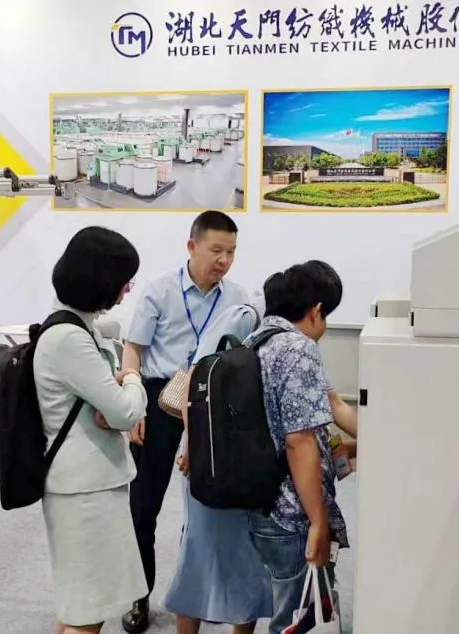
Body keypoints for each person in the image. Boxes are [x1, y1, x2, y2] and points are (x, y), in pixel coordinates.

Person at [121, 210, 250, 634]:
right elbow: (133, 350)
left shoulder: (238, 298)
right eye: (216, 250)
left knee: (206, 507)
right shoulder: (159, 291)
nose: (224, 261)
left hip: (212, 404)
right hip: (160, 399)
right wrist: (134, 408)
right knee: (144, 505)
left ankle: (197, 596)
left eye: (231, 252)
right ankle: (138, 596)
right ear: (192, 246)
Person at [33, 226, 148, 634]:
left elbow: (109, 407)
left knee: (78, 609)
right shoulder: (69, 338)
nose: (127, 289)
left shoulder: (77, 328)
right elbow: (123, 412)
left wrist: (115, 399)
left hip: (87, 483)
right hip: (84, 490)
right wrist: (132, 377)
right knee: (87, 614)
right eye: (124, 280)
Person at [246, 260, 349, 634]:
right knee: (297, 617)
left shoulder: (257, 342)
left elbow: (332, 404)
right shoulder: (298, 349)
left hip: (261, 501)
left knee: (286, 603)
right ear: (316, 310)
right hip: (291, 510)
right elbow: (299, 441)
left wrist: (384, 435)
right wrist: (318, 522)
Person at [163, 291, 273, 634]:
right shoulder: (244, 317)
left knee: (245, 557)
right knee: (198, 550)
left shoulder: (279, 334)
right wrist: (194, 445)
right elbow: (195, 381)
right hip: (209, 455)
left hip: (241, 455)